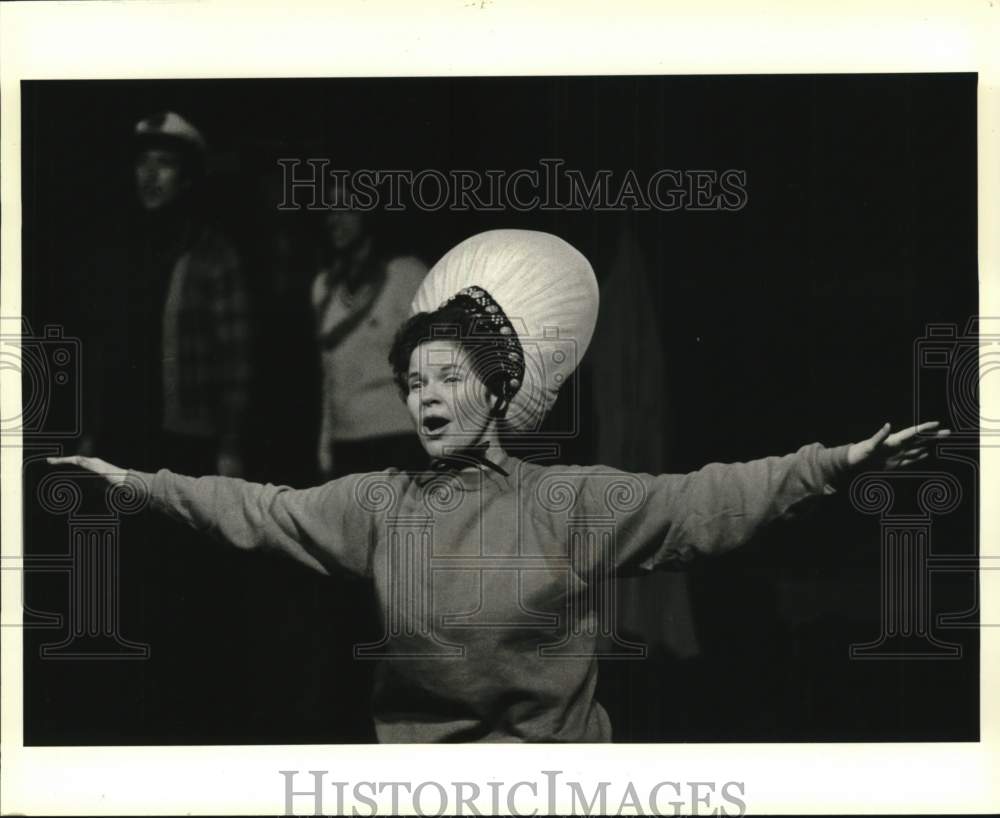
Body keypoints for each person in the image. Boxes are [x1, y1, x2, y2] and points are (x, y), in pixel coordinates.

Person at [50, 229, 949, 742]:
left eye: (445, 377)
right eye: (413, 382)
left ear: (494, 387)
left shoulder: (570, 504)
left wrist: (837, 466)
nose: (426, 397)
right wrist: (134, 482)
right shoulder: (378, 505)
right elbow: (256, 509)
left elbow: (702, 501)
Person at [82, 110, 252, 477]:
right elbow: (102, 349)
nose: (150, 175)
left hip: (185, 441)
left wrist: (230, 446)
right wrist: (91, 433)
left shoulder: (214, 254)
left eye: (165, 164)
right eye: (143, 162)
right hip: (121, 433)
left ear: (187, 178)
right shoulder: (121, 251)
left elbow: (234, 362)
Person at [311, 191, 428, 478]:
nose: (335, 220)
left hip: (400, 438)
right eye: (330, 210)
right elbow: (329, 377)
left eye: (347, 208)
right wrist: (325, 448)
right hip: (346, 443)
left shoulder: (407, 275)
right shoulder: (325, 287)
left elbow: (434, 362)